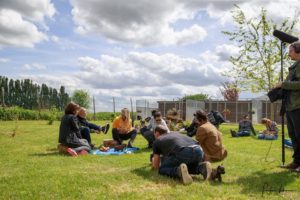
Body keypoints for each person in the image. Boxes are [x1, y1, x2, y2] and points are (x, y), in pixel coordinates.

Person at [152, 125, 223, 185]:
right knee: (186, 167)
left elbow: (156, 166)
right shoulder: (176, 134)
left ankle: (178, 171)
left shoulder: (157, 141)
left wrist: (155, 163)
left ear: (157, 133)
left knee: (162, 169)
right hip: (199, 150)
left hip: (184, 152)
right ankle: (202, 167)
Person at [274, 41, 300, 171]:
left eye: (290, 51)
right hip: (291, 106)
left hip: (298, 106)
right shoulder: (295, 66)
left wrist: (283, 84)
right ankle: (297, 162)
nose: (288, 54)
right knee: (293, 135)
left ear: (298, 51)